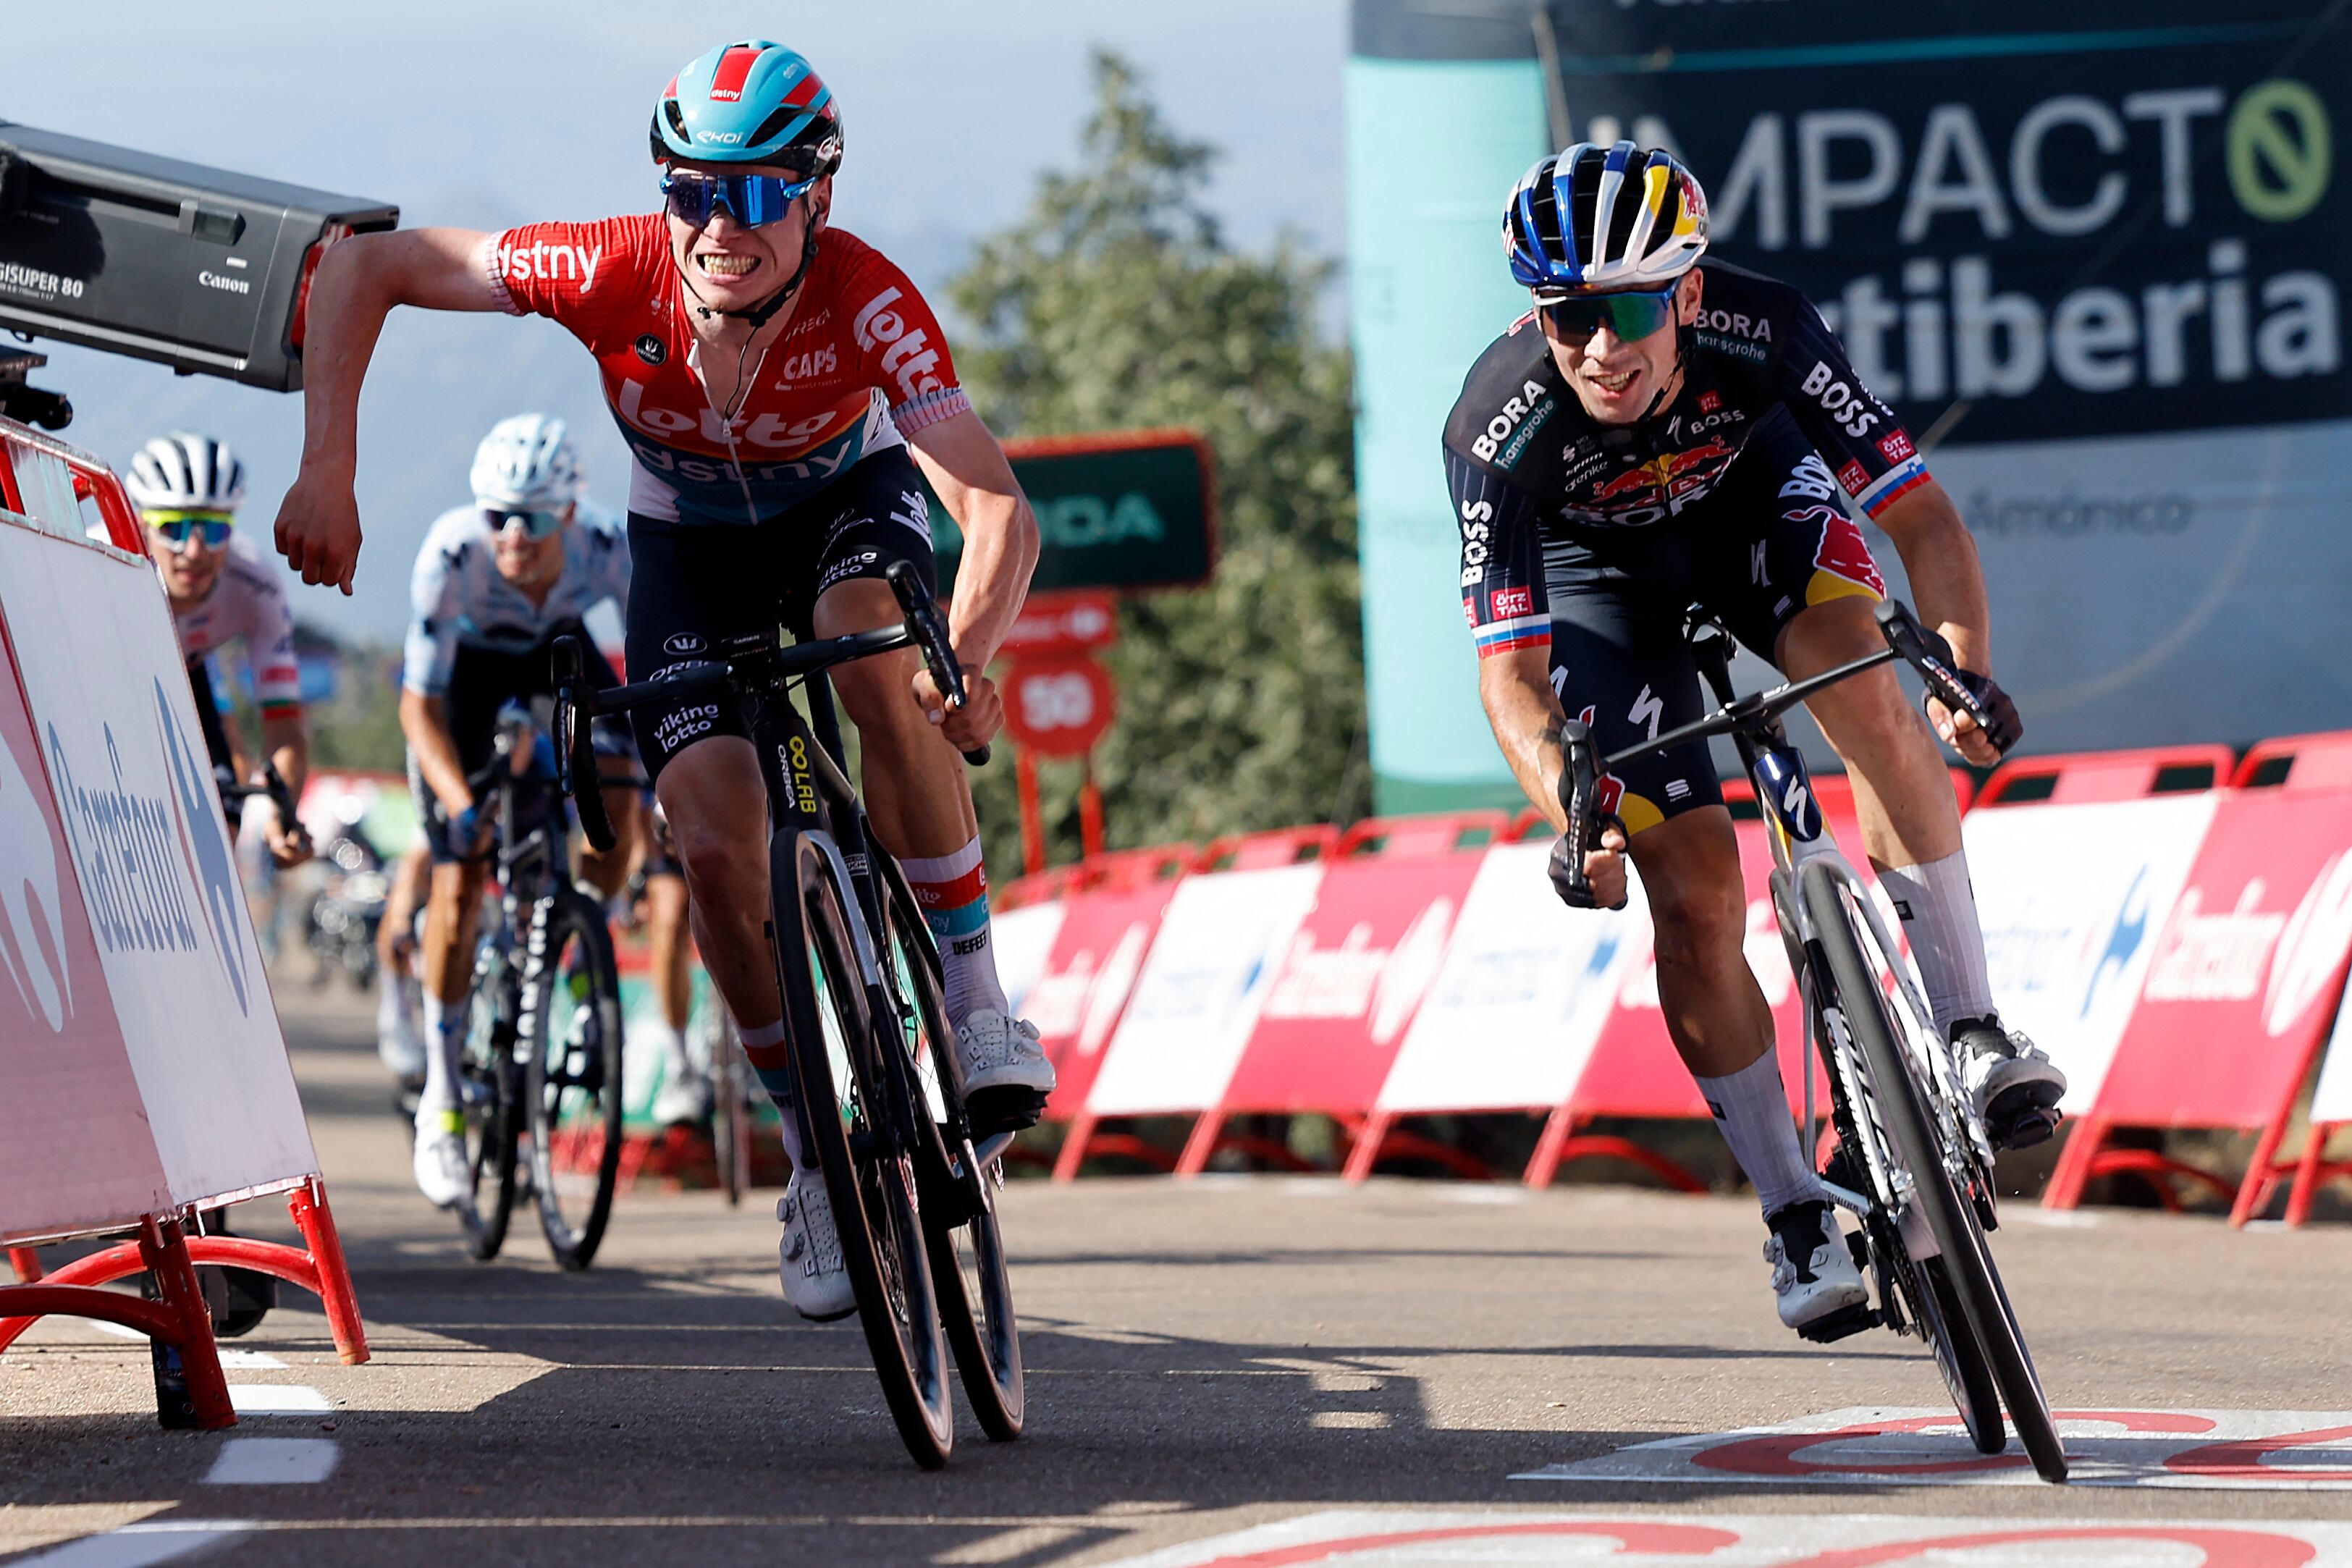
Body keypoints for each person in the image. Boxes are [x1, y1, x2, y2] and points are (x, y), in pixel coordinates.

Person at [273, 41, 1053, 1320]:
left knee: (872, 650)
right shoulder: (606, 265)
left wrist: (963, 664)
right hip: (686, 545)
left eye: (753, 195)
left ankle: (974, 1009)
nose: (716, 226)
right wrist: (329, 468)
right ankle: (812, 1161)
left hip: (841, 514)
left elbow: (996, 514)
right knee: (704, 825)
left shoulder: (868, 296)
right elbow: (369, 263)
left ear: (816, 198)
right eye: (690, 190)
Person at [1445, 142, 2065, 1336]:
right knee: (1688, 890)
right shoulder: (1495, 426)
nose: (1599, 347)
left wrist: (1960, 673)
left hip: (1749, 512)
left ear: (1683, 293)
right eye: (1566, 317)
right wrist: (1567, 816)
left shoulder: (1762, 326)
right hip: (1597, 589)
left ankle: (1969, 1025)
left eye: (1628, 309)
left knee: (1861, 679)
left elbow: (1923, 524)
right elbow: (1509, 681)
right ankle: (1790, 1208)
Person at [398, 413, 668, 1206]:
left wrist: (659, 786)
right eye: (498, 515)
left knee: (620, 792)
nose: (514, 534)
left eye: (536, 517)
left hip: (560, 652)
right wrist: (460, 804)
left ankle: (589, 943)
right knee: (458, 875)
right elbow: (420, 709)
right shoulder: (451, 555)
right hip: (470, 679)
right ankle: (441, 1103)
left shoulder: (607, 548)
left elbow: (647, 673)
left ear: (571, 514)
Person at [128, 433, 311, 867]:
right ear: (142, 524)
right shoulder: (100, 557)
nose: (194, 552)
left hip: (186, 672)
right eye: (174, 529)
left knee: (222, 821)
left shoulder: (256, 584)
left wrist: (280, 815)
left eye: (212, 531)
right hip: (109, 677)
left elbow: (284, 726)